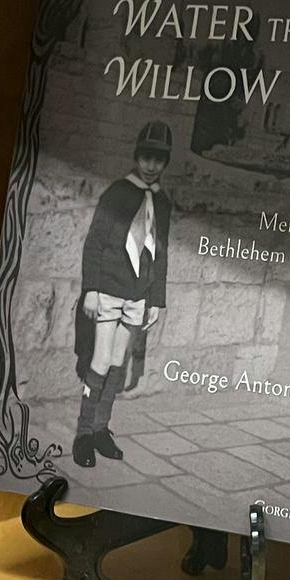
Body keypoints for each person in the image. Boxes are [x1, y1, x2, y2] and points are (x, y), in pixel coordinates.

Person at [72, 120, 175, 469]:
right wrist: (90, 289)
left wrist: (156, 300)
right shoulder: (118, 192)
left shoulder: (162, 202)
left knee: (118, 362)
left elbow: (160, 252)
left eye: (158, 160)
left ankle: (102, 428)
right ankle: (83, 433)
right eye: (145, 157)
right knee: (100, 360)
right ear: (136, 156)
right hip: (108, 290)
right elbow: (95, 242)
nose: (150, 166)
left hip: (138, 295)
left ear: (165, 162)